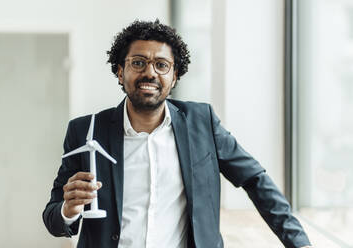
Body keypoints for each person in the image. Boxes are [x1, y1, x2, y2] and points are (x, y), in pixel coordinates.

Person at [43, 19, 312, 248]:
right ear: (119, 70)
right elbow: (53, 218)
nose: (150, 72)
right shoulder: (87, 131)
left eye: (162, 65)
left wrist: (300, 244)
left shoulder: (202, 122)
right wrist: (69, 210)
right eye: (138, 62)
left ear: (174, 77)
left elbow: (255, 179)